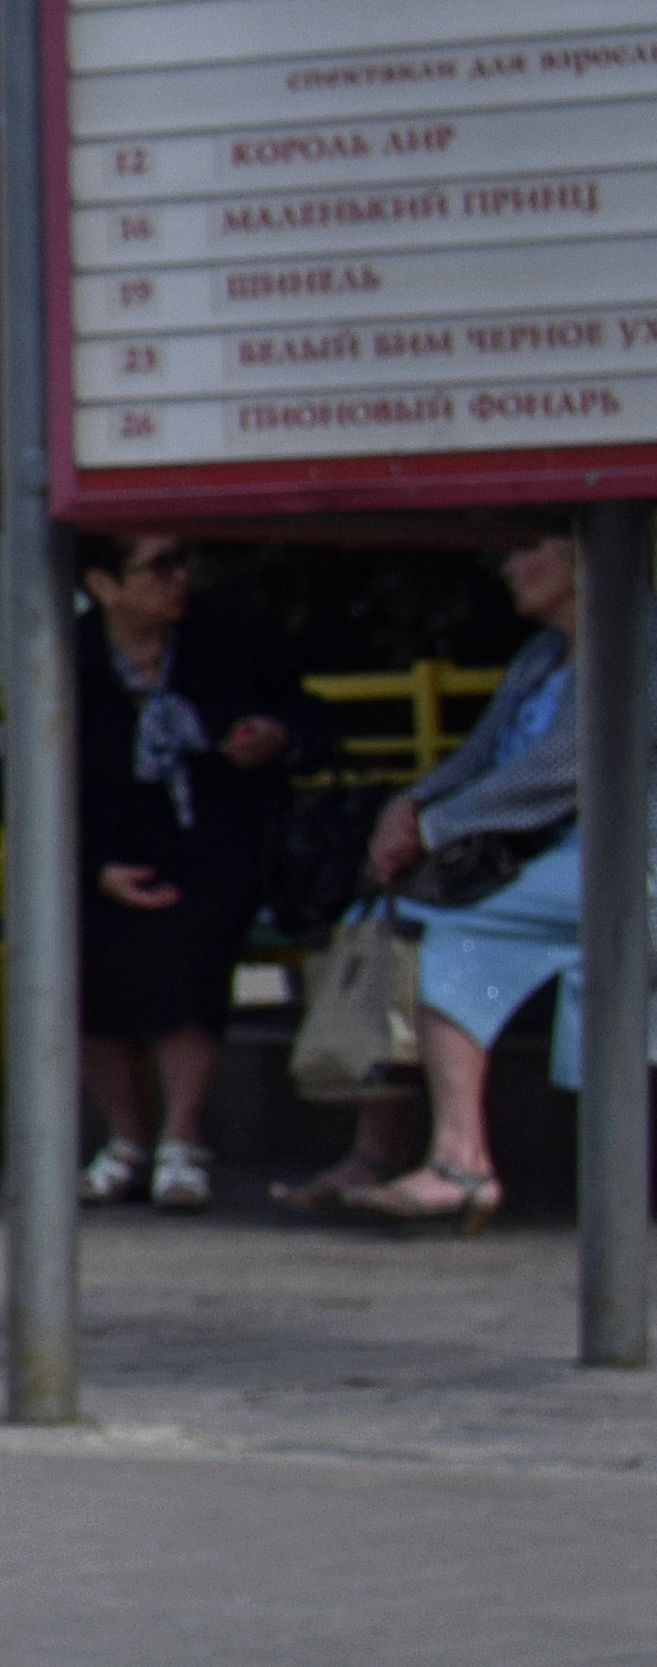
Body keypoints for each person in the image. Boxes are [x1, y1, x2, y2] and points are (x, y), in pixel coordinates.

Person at [292, 522, 645, 1230]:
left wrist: (437, 827)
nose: (508, 568)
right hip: (543, 863)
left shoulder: (635, 637)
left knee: (434, 923)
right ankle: (384, 1147)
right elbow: (481, 754)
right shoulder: (542, 655)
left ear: (579, 555)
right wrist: (412, 803)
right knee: (381, 917)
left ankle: (463, 1160)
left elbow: (570, 766)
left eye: (524, 549)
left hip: (626, 859)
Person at [65, 532, 298, 1212]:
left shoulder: (224, 637)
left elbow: (301, 714)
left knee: (195, 933)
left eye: (183, 560)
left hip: (213, 834)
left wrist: (273, 736)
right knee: (81, 941)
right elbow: (31, 782)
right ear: (104, 584)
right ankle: (127, 1139)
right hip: (107, 843)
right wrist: (94, 868)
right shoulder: (68, 653)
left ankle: (183, 1135)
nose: (179, 578)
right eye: (158, 565)